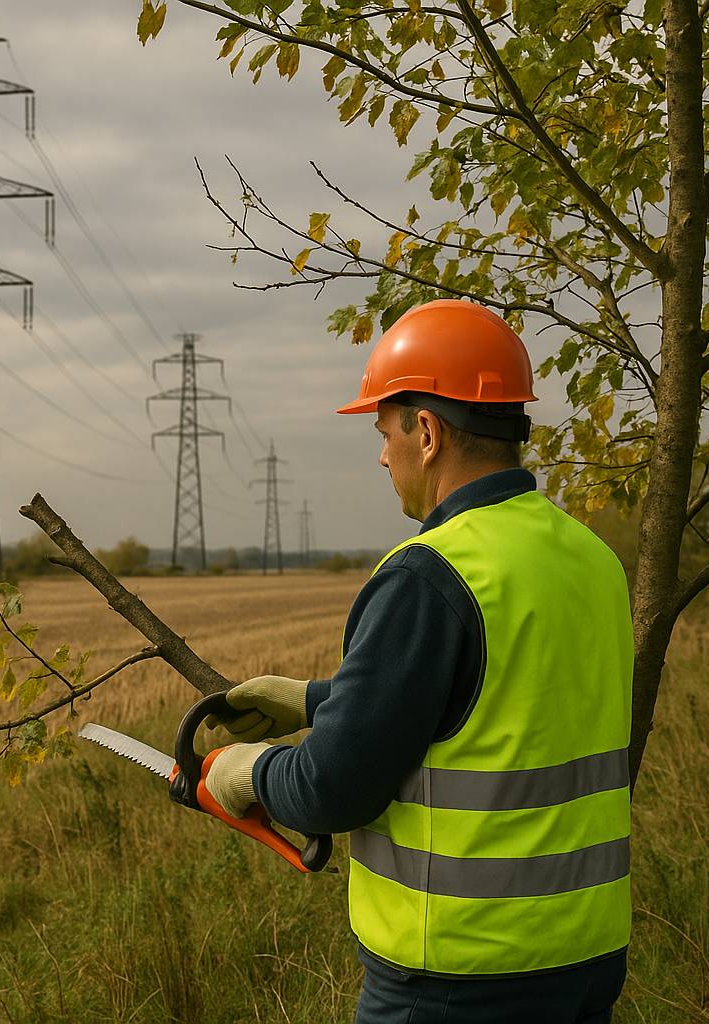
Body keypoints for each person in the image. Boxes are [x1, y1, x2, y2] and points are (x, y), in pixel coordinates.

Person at [203, 298, 633, 1023]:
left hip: (457, 978)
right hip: (585, 958)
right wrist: (314, 700)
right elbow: (503, 701)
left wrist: (249, 771)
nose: (380, 454)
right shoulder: (589, 557)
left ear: (426, 432)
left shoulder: (429, 575)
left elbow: (332, 789)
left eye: (383, 430)